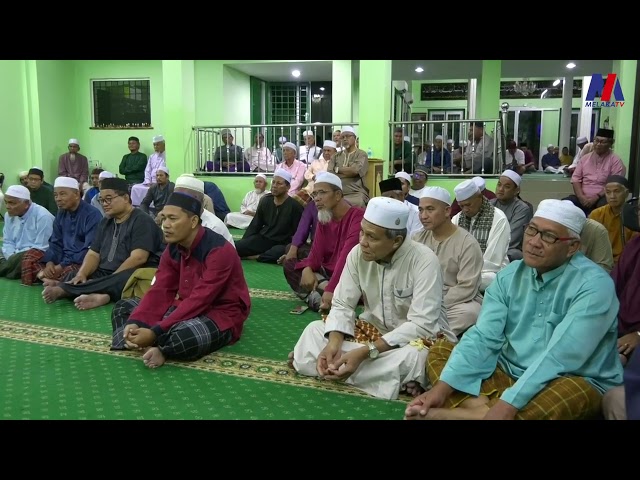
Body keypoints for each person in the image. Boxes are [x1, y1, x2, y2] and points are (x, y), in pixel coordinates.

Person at [405, 199, 623, 420]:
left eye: (548, 236)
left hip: (569, 376)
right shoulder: (509, 276)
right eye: (532, 230)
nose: (534, 242)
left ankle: (463, 414)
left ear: (572, 247)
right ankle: (480, 410)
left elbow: (562, 356)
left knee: (571, 394)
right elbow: (484, 336)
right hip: (508, 370)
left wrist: (510, 403)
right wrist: (440, 390)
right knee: (441, 351)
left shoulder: (594, 285)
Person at [291, 197, 456, 400]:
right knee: (314, 331)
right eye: (362, 231)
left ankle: (334, 366)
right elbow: (342, 303)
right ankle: (387, 379)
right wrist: (334, 344)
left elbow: (422, 325)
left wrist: (366, 352)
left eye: (372, 237)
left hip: (414, 340)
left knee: (417, 357)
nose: (362, 241)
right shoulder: (358, 253)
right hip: (372, 332)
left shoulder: (423, 260)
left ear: (396, 241)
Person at [110, 192, 251, 369]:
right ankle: (140, 340)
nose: (165, 225)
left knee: (185, 337)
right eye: (163, 218)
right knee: (123, 307)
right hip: (183, 306)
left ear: (193, 222)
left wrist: (155, 331)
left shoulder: (219, 251)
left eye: (172, 219)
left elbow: (201, 299)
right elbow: (161, 288)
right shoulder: (173, 248)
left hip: (219, 313)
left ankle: (161, 347)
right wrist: (137, 321)